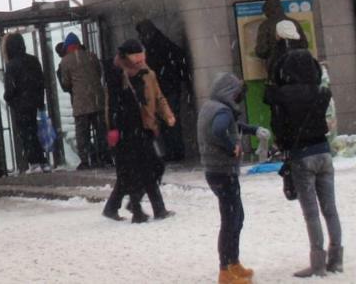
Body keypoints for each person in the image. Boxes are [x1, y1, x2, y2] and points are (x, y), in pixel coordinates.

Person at [266, 42, 343, 276]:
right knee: (330, 209)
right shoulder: (320, 91)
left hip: (302, 156)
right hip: (323, 152)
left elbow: (278, 125)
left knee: (311, 213)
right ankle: (336, 258)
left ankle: (318, 263)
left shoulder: (283, 95)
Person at [198, 73, 263, 283]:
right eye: (236, 93)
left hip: (215, 171)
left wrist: (253, 130)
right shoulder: (222, 110)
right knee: (231, 220)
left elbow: (232, 126)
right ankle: (225, 270)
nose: (238, 97)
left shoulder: (212, 106)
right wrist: (232, 147)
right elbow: (219, 130)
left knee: (236, 217)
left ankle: (233, 263)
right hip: (223, 171)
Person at [104, 39, 175, 223]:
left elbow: (158, 97)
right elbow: (111, 104)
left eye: (141, 53)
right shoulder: (117, 74)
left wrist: (167, 115)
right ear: (127, 55)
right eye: (137, 54)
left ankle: (115, 207)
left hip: (146, 127)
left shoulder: (147, 73)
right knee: (139, 170)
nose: (141, 57)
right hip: (126, 129)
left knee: (153, 167)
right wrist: (113, 128)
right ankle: (147, 210)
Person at [136, 19, 192, 161]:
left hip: (165, 89)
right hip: (170, 87)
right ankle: (175, 151)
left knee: (168, 122)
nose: (140, 39)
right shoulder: (163, 43)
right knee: (172, 121)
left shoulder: (155, 47)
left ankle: (171, 152)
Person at [57, 32, 107, 169]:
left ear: (67, 47)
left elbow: (66, 84)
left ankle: (85, 161)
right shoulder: (92, 56)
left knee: (82, 133)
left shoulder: (65, 62)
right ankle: (104, 157)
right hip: (97, 100)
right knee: (101, 130)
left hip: (81, 103)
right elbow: (99, 73)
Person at [3, 32, 48, 173]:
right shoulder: (33, 60)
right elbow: (41, 82)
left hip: (21, 105)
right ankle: (42, 161)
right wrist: (40, 101)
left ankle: (34, 162)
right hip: (34, 102)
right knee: (34, 131)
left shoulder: (11, 66)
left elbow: (10, 89)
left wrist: (9, 99)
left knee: (26, 134)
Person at [255, 0, 306, 68]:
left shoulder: (265, 25)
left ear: (267, 11)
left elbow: (262, 51)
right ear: (281, 8)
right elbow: (304, 45)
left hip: (276, 66)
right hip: (296, 64)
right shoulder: (294, 22)